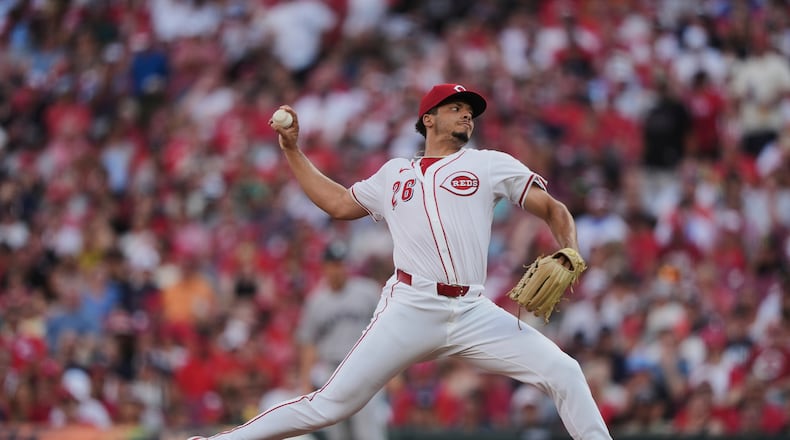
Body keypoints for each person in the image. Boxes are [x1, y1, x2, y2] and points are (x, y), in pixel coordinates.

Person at [189, 83, 613, 439]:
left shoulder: (488, 164)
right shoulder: (394, 174)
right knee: (330, 405)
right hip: (411, 305)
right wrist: (293, 150)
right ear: (428, 118)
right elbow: (338, 203)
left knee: (564, 370)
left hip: (473, 310)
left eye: (470, 111)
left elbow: (554, 208)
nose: (467, 116)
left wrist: (569, 248)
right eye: (456, 108)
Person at [295, 241, 388, 440]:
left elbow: (386, 329)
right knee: (338, 434)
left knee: (369, 433)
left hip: (364, 369)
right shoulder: (316, 301)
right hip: (332, 372)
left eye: (341, 263)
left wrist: (392, 370)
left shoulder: (367, 291)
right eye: (333, 264)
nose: (338, 269)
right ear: (325, 267)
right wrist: (305, 381)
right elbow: (308, 344)